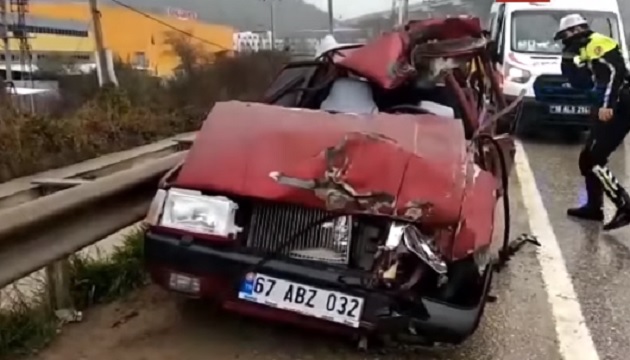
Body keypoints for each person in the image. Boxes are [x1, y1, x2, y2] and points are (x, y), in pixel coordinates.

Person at [555, 13, 630, 230]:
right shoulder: (582, 49)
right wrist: (568, 62)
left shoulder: (598, 43)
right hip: (606, 105)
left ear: (574, 31)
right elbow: (582, 83)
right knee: (587, 157)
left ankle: (623, 203)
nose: (565, 41)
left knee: (594, 158)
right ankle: (593, 207)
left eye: (565, 37)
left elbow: (615, 73)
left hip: (619, 104)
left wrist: (608, 104)